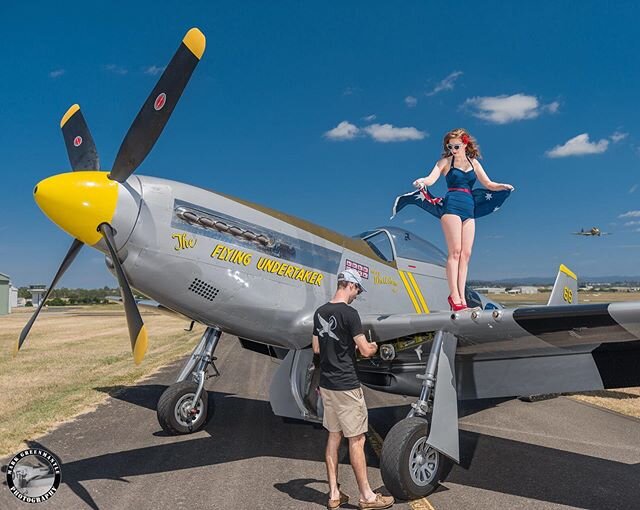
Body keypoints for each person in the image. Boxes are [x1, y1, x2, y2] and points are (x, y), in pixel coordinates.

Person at [393, 128, 514, 311]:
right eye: (450, 146)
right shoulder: (445, 162)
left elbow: (488, 184)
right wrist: (422, 181)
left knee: (466, 254)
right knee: (455, 252)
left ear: (465, 144)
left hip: (469, 207)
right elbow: (431, 178)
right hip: (452, 206)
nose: (453, 149)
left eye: (456, 146)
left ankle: (463, 300)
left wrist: (502, 186)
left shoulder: (474, 164)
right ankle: (454, 296)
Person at [312, 268, 394, 510]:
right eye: (357, 289)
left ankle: (334, 494)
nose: (357, 294)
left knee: (333, 437)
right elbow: (366, 351)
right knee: (357, 440)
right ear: (349, 285)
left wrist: (344, 347)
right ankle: (367, 496)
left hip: (327, 385)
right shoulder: (350, 314)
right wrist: (373, 346)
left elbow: (317, 348)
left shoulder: (320, 312)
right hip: (347, 385)